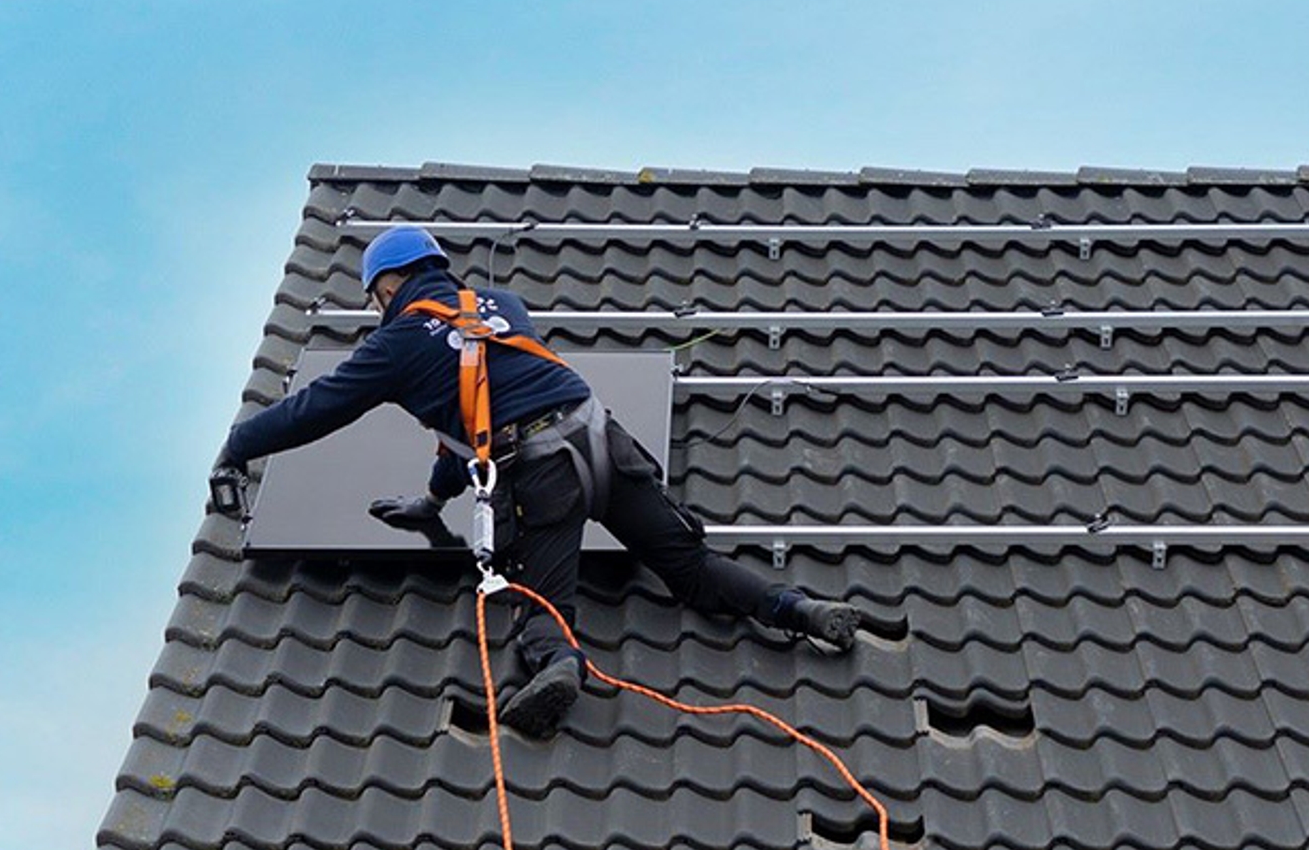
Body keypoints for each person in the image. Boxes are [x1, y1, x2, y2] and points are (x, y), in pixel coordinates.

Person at [214, 225, 859, 738]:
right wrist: (434, 499)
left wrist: (238, 447)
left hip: (545, 471)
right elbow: (469, 414)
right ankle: (797, 609)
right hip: (605, 440)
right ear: (438, 268)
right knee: (690, 567)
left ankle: (559, 668)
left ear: (385, 289)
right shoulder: (501, 305)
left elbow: (317, 407)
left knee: (542, 607)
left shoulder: (397, 345)